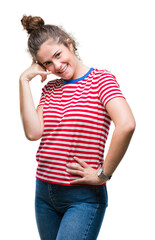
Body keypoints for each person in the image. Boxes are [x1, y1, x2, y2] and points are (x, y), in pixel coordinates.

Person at [19, 15, 136, 240]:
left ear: (68, 44)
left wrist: (104, 174)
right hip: (44, 192)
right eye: (47, 64)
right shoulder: (50, 89)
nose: (57, 66)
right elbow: (33, 133)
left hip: (82, 197)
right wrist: (24, 81)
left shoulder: (101, 81)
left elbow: (126, 125)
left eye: (58, 55)